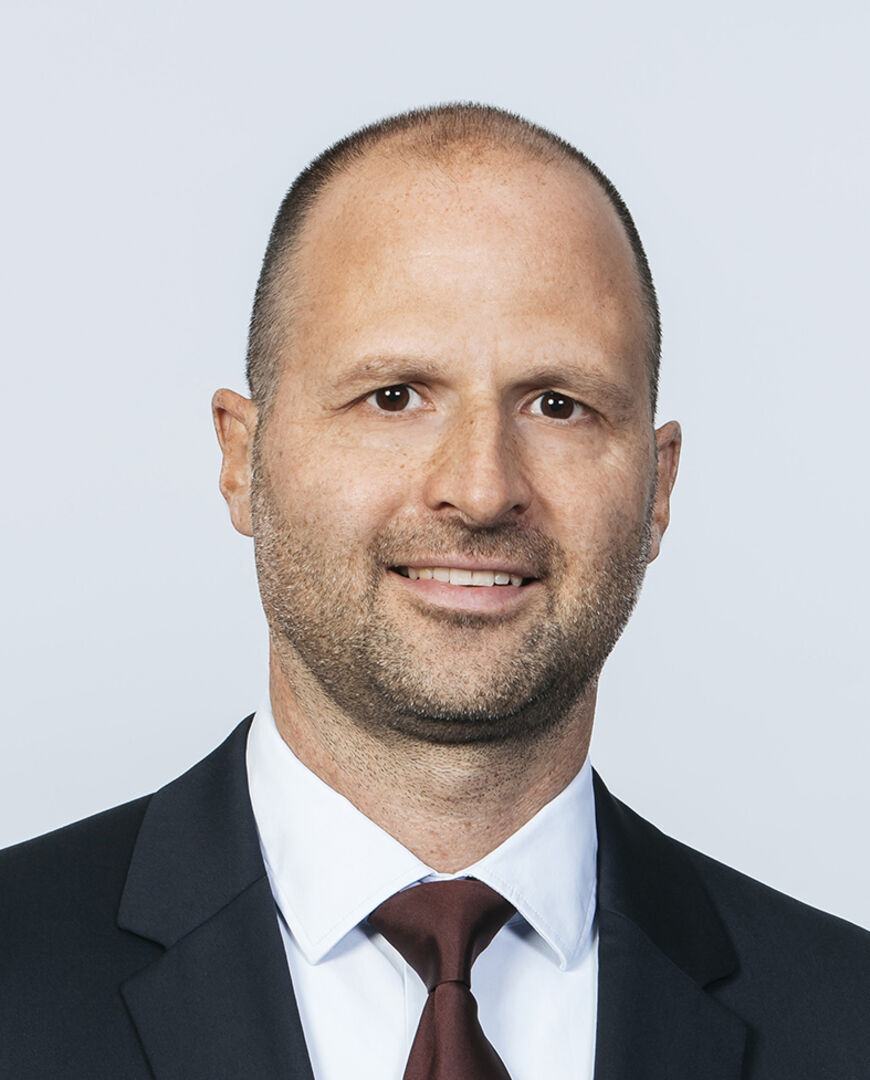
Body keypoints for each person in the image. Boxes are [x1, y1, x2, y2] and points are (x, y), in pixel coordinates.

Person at [1, 103, 867, 1080]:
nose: (482, 488)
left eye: (558, 405)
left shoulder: (846, 1021)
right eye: (395, 396)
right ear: (242, 460)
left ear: (657, 489)